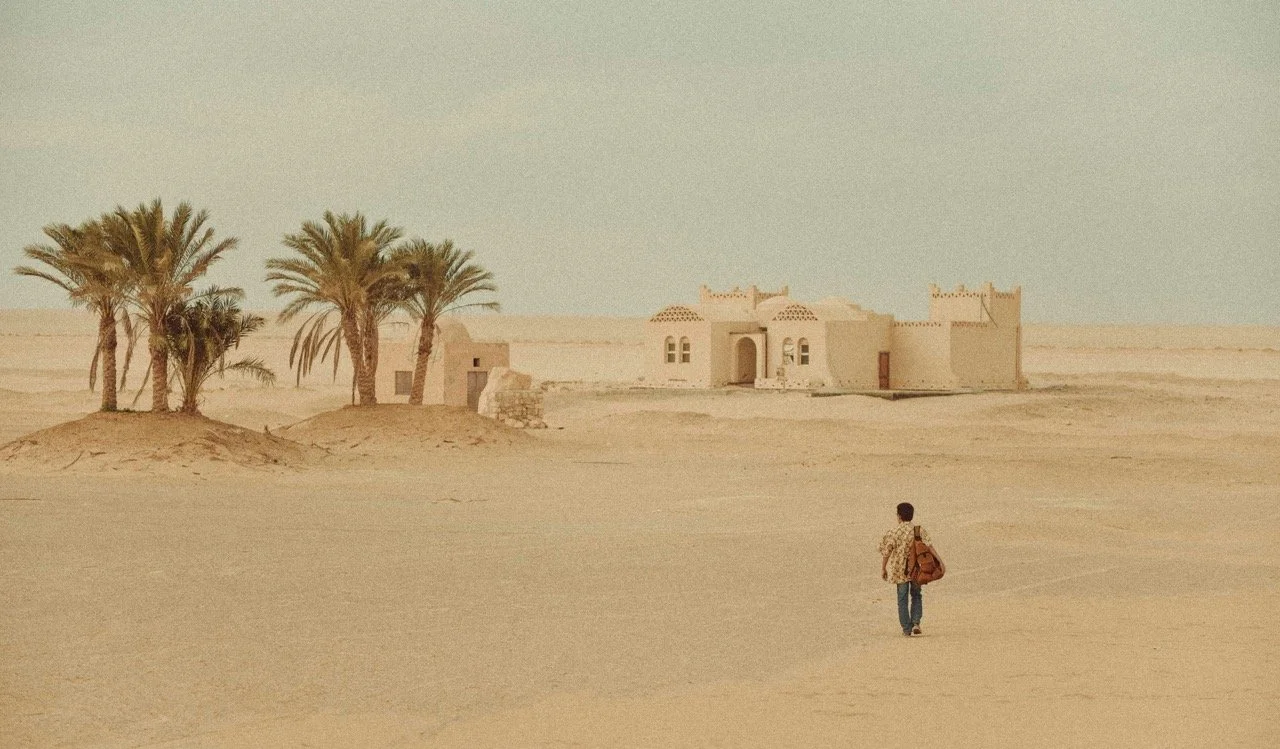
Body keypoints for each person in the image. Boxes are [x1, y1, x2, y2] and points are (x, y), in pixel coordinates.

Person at [878, 502, 932, 637]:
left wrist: (883, 568)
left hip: (899, 570)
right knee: (916, 595)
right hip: (916, 569)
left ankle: (906, 629)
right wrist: (939, 563)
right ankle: (915, 623)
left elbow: (887, 552)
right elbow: (929, 546)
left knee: (902, 598)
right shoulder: (918, 531)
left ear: (899, 516)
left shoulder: (893, 532)